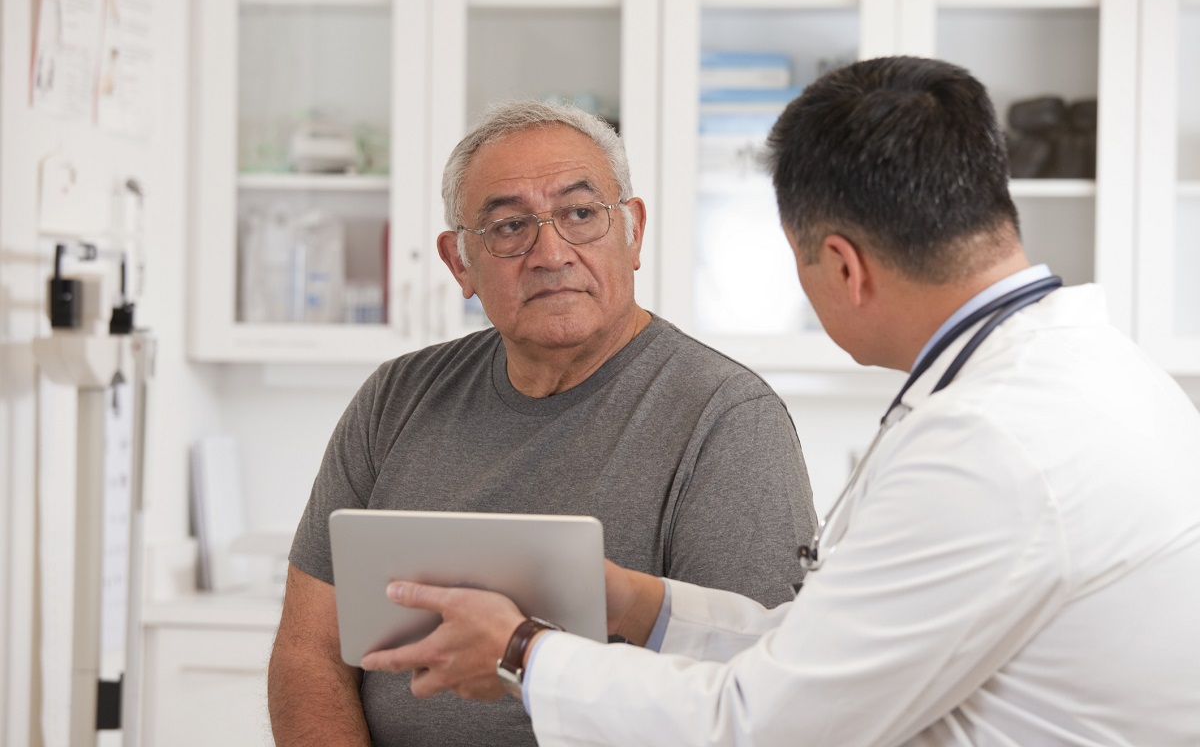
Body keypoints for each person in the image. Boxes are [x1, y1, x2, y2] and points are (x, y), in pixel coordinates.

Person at [358, 57, 1200, 746]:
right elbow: (821, 658)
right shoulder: (1079, 377)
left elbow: (764, 726)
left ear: (843, 266)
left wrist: (520, 653)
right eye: (508, 227)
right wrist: (636, 602)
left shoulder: (990, 445)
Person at [267, 100, 817, 746]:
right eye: (507, 227)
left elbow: (751, 697)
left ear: (633, 232)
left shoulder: (728, 422)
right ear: (459, 263)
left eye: (581, 214)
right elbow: (308, 652)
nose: (550, 252)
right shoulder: (396, 399)